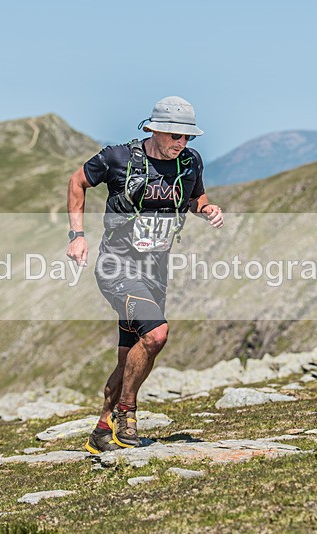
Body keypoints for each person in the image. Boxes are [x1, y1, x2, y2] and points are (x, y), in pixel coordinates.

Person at [66, 96, 224, 453]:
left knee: (130, 356)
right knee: (156, 335)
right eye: (175, 137)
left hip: (156, 270)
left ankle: (101, 431)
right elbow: (77, 183)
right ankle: (128, 413)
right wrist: (76, 236)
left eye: (188, 138)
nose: (182, 144)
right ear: (154, 130)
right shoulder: (117, 159)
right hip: (116, 267)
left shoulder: (190, 163)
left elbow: (195, 199)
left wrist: (208, 209)